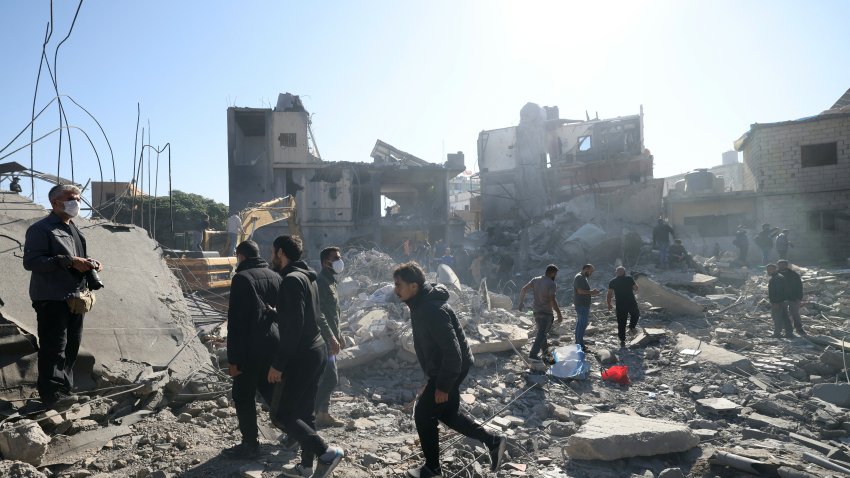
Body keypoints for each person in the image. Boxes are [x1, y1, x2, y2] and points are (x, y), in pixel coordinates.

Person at [393, 262, 507, 478]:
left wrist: (443, 385)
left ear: (414, 286)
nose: (395, 289)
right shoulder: (420, 305)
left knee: (423, 414)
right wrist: (431, 378)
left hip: (451, 367)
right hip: (446, 367)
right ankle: (493, 441)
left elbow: (453, 353)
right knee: (447, 413)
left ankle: (432, 469)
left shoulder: (431, 309)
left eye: (399, 285)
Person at [269, 236, 344, 478]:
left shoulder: (291, 280)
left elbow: (293, 326)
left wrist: (278, 364)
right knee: (305, 412)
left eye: (273, 253)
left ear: (280, 252)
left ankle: (326, 452)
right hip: (317, 350)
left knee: (282, 415)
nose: (272, 257)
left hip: (302, 354)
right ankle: (306, 466)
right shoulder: (309, 277)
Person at [23, 184, 103, 406]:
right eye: (70, 198)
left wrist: (90, 264)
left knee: (71, 347)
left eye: (77, 198)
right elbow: (31, 262)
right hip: (52, 298)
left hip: (74, 298)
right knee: (54, 347)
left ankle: (65, 392)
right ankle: (52, 395)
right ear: (55, 202)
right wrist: (68, 261)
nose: (76, 202)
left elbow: (77, 260)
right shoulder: (41, 229)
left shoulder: (74, 229)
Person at [224, 240, 283, 458]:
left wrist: (233, 359)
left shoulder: (241, 278)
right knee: (269, 390)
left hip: (251, 347)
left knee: (242, 394)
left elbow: (237, 322)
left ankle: (250, 444)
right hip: (274, 343)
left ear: (241, 256)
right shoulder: (276, 276)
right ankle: (294, 431)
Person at [315, 246, 345, 428]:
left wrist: (339, 335)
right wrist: (331, 338)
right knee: (331, 378)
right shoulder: (320, 282)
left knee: (326, 377)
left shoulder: (331, 282)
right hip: (324, 338)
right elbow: (320, 315)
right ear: (325, 262)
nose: (339, 261)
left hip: (331, 336)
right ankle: (311, 413)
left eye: (339, 257)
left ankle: (323, 414)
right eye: (336, 258)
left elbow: (334, 313)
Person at [518, 265, 564, 361]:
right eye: (555, 273)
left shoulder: (536, 280)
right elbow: (552, 299)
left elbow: (523, 289)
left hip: (536, 312)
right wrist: (559, 313)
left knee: (541, 333)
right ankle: (533, 354)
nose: (555, 275)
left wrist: (521, 303)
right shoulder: (551, 284)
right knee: (542, 334)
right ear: (552, 273)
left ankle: (547, 356)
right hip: (546, 312)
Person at [606, 267, 640, 349]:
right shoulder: (629, 278)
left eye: (620, 271)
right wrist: (609, 303)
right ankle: (630, 328)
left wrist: (609, 303)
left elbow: (609, 294)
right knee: (633, 316)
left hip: (621, 304)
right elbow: (636, 288)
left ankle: (623, 338)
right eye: (619, 271)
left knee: (622, 321)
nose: (619, 272)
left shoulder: (613, 281)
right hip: (630, 302)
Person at [573, 264, 600, 351]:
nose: (591, 273)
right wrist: (592, 292)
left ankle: (578, 343)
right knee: (582, 324)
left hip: (582, 304)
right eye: (591, 271)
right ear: (586, 269)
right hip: (582, 305)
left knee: (580, 324)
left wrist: (591, 293)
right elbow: (580, 291)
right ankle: (581, 346)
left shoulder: (583, 277)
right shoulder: (579, 277)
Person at [778, 260, 806, 336]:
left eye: (783, 265)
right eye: (780, 265)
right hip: (782, 298)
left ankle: (799, 328)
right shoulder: (777, 274)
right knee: (783, 314)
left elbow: (799, 287)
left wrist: (798, 297)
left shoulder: (794, 274)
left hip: (794, 297)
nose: (781, 266)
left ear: (786, 265)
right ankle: (787, 329)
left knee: (794, 313)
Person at [766, 263, 793, 339]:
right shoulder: (778, 277)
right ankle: (789, 333)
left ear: (775, 269)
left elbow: (778, 292)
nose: (768, 271)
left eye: (770, 270)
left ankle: (777, 333)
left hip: (778, 302)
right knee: (784, 317)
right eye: (767, 270)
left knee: (777, 317)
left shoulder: (777, 278)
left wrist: (776, 302)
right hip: (782, 301)